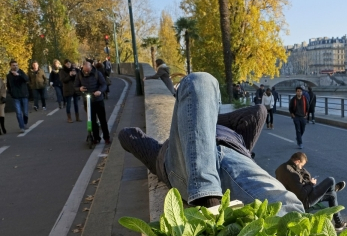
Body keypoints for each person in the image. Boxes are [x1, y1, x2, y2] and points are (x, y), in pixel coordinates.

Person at [119, 72, 303, 214]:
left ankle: (208, 201)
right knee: (199, 80)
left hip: (234, 156)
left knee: (290, 207)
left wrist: (200, 120)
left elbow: (259, 111)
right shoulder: (165, 155)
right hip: (192, 164)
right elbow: (128, 137)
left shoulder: (162, 154)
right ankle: (207, 198)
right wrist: (199, 120)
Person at [275, 152, 347, 230]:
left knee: (332, 195)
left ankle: (339, 223)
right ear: (297, 161)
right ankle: (333, 188)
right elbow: (302, 194)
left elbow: (298, 180)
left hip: (291, 195)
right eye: (301, 165)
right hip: (304, 200)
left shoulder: (282, 167)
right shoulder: (292, 174)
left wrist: (302, 171)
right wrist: (311, 183)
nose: (301, 167)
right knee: (331, 180)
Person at [75, 61, 110, 144]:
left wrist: (100, 91)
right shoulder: (79, 75)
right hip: (87, 100)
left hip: (98, 99)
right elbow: (75, 86)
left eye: (88, 70)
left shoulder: (97, 73)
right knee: (92, 120)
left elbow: (104, 84)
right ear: (83, 68)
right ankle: (96, 137)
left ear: (91, 67)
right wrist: (79, 89)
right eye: (85, 70)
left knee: (102, 119)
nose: (86, 72)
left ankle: (106, 137)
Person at [6, 60, 29, 133]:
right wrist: (10, 93)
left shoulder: (21, 72)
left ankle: (25, 123)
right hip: (15, 96)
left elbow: (26, 79)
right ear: (10, 66)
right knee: (18, 112)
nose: (15, 66)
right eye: (13, 65)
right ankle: (21, 127)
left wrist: (19, 75)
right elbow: (8, 85)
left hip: (24, 95)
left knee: (25, 112)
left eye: (16, 65)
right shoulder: (9, 75)